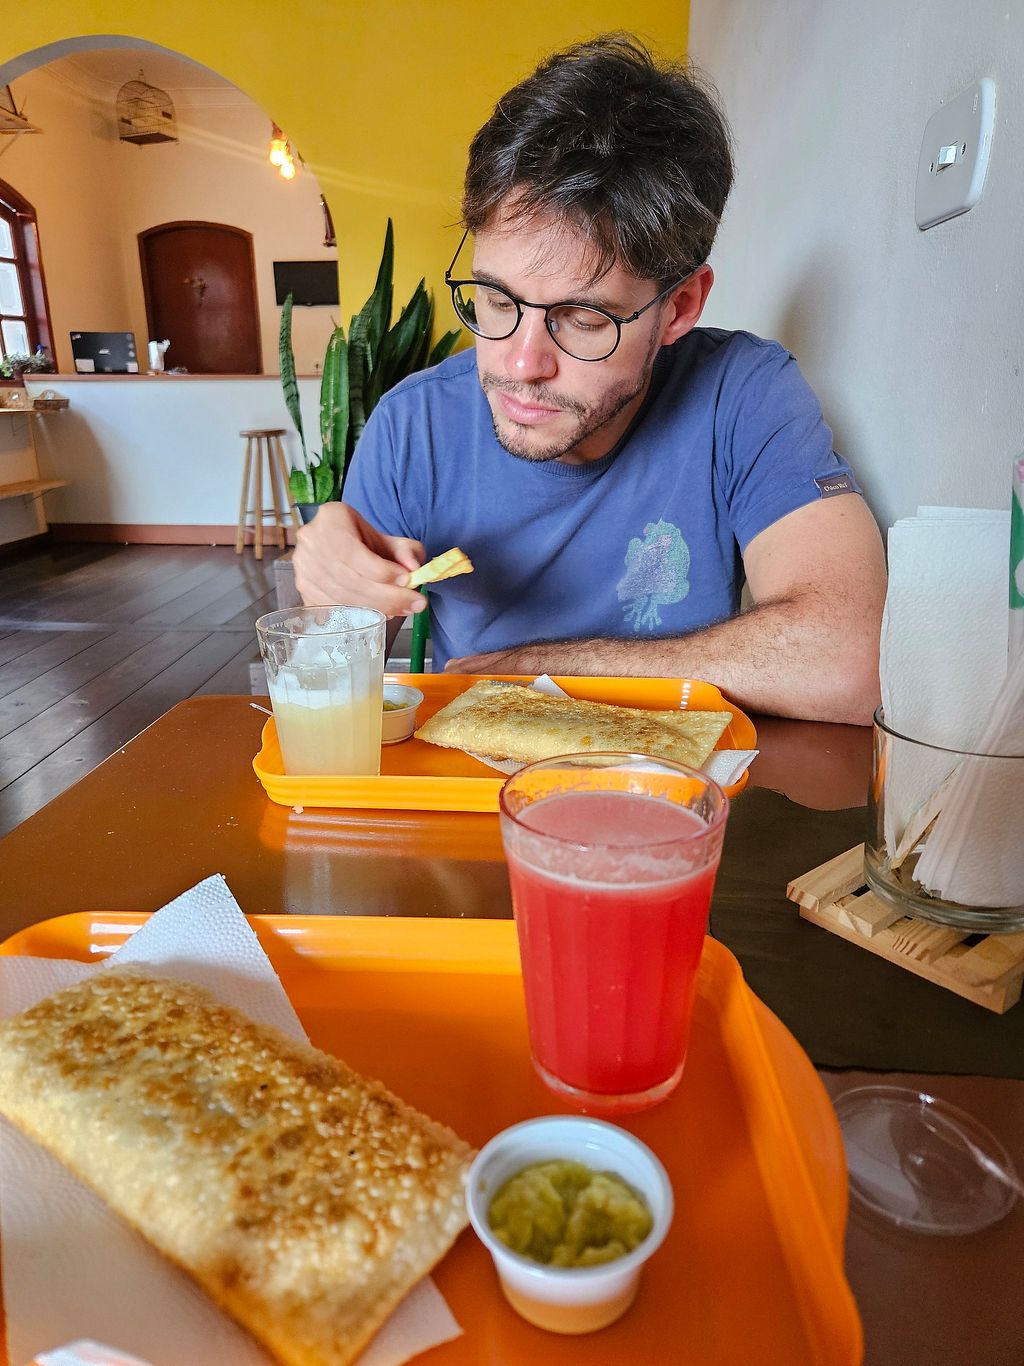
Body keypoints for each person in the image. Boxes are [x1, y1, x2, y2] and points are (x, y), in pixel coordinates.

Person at [294, 34, 886, 724]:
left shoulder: (743, 395)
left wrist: (539, 670)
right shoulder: (413, 427)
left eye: (582, 319)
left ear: (679, 308)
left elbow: (853, 661)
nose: (520, 365)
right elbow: (331, 685)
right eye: (496, 300)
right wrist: (333, 589)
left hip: (675, 779)